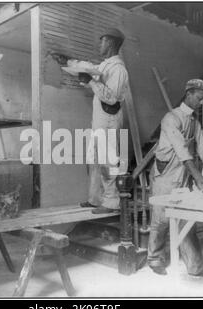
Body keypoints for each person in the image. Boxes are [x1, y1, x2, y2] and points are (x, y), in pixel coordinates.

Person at [52, 28, 129, 214]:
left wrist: (91, 82)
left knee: (107, 161)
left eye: (102, 41)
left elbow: (111, 98)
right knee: (94, 159)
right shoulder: (106, 65)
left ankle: (111, 203)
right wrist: (68, 62)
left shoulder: (118, 69)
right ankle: (95, 199)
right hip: (100, 119)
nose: (99, 44)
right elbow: (89, 68)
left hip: (109, 119)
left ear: (110, 43)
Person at [147, 79, 203, 277]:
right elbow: (182, 152)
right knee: (160, 219)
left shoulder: (194, 122)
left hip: (183, 175)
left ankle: (195, 266)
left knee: (187, 219)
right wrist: (200, 178)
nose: (202, 103)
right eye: (199, 99)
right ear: (189, 94)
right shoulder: (171, 118)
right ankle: (155, 258)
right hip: (166, 175)